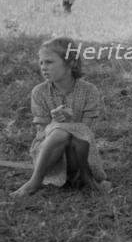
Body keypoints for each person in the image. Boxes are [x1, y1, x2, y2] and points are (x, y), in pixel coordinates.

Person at [11, 37, 109, 198]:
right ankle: (36, 181)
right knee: (59, 132)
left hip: (79, 153)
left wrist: (69, 124)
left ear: (71, 63)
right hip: (49, 156)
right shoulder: (39, 92)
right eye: (41, 62)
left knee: (71, 134)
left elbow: (86, 134)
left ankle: (41, 182)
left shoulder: (89, 91)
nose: (43, 67)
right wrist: (56, 123)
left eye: (49, 62)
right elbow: (41, 132)